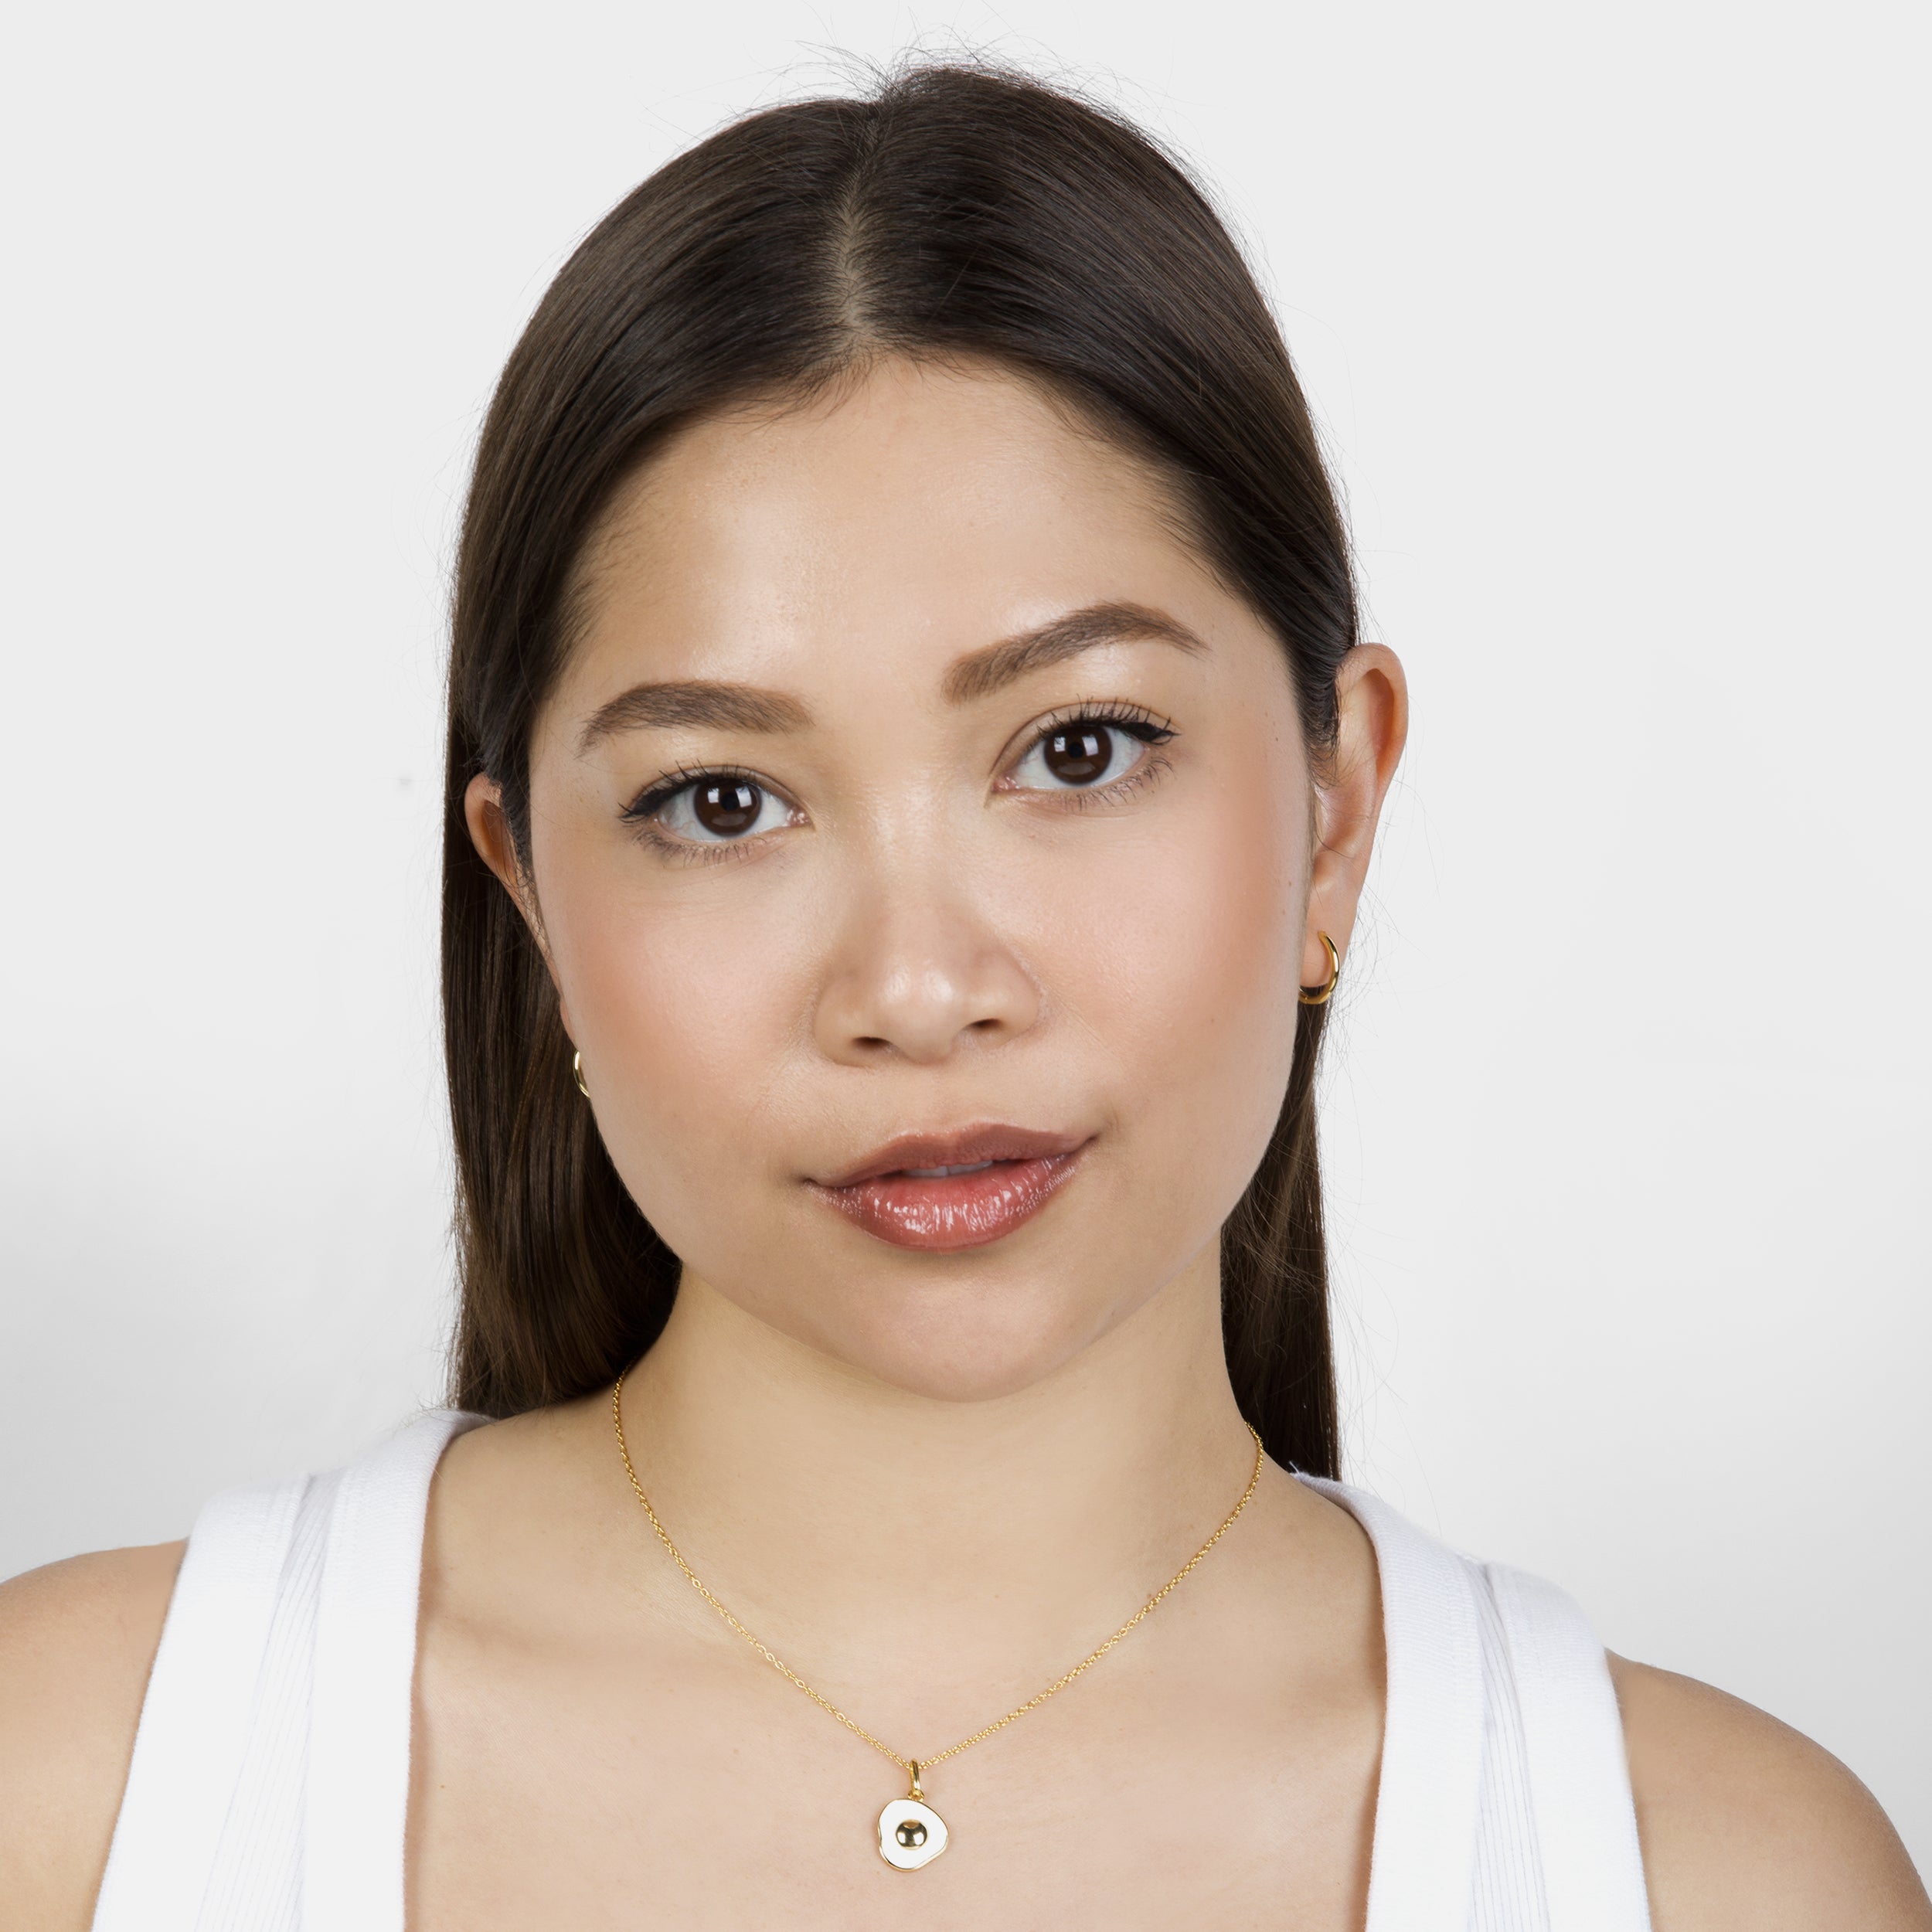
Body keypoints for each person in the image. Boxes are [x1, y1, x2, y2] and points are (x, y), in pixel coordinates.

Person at [2, 61, 1924, 1932]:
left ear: (1333, 812)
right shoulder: (74, 1784)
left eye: (1078, 749)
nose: (919, 990)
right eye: (720, 801)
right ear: (529, 899)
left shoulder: (1717, 1876)